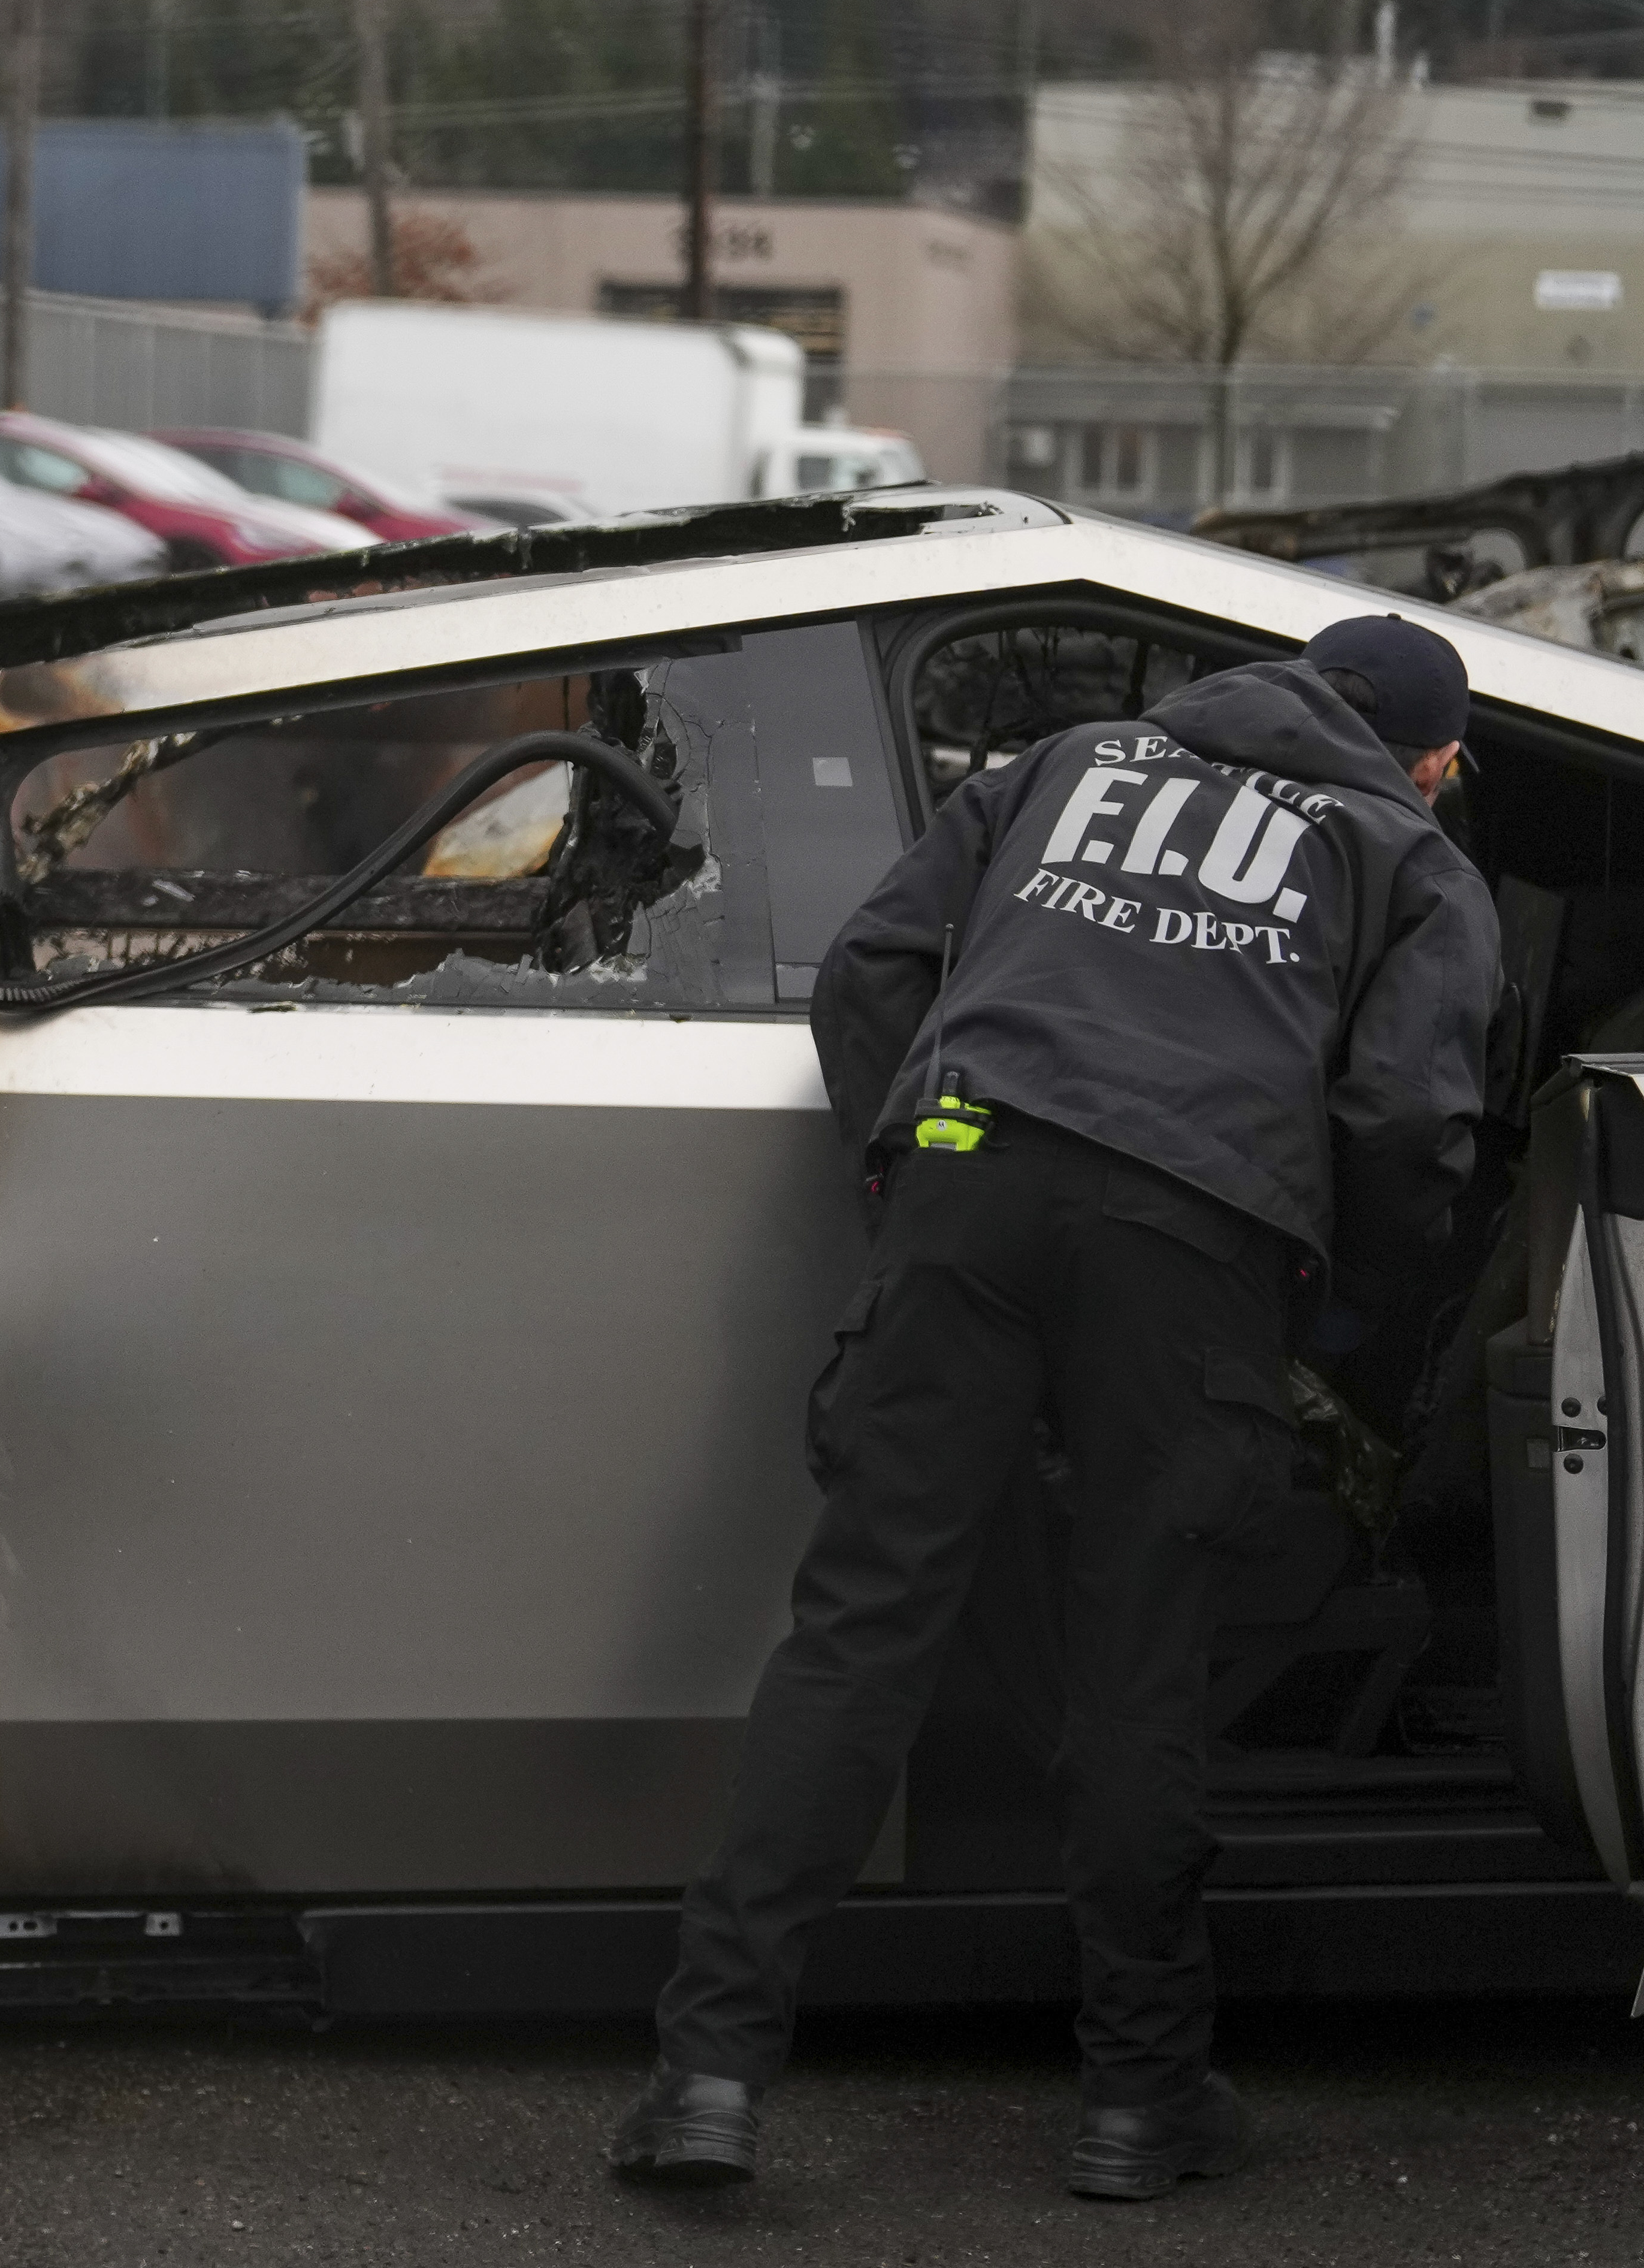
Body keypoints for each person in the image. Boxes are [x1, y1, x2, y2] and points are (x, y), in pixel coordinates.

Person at [610, 613, 1500, 2202]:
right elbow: (1414, 1121)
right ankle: (1138, 2104)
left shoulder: (1065, 765)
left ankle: (710, 2081)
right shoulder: (1407, 857)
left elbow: (876, 967)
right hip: (1192, 1245)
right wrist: (1339, 1303)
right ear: (1429, 758)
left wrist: (920, 1177)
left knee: (859, 1631)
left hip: (971, 1177)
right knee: (1135, 1667)